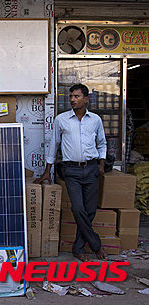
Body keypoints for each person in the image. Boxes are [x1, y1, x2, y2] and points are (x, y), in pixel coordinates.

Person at [36, 84, 108, 262]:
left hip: (91, 169)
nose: (72, 100)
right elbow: (54, 145)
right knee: (77, 208)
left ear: (85, 99)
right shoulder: (61, 120)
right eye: (70, 97)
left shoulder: (95, 120)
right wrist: (48, 170)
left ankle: (78, 248)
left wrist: (101, 164)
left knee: (90, 211)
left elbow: (102, 143)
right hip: (72, 170)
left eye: (76, 96)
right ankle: (96, 245)